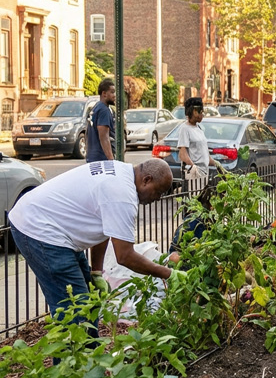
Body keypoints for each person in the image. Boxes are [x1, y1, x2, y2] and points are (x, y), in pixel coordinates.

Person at [9, 159, 185, 328]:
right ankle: (75, 356)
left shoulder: (121, 171)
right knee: (76, 312)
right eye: (159, 192)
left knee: (91, 303)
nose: (158, 198)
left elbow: (104, 229)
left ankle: (89, 354)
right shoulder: (122, 195)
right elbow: (125, 256)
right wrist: (169, 274)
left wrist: (96, 273)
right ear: (147, 180)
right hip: (40, 230)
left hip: (53, 229)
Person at [177, 98, 220, 180]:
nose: (202, 114)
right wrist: (194, 168)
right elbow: (182, 154)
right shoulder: (185, 129)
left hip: (204, 173)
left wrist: (218, 165)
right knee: (194, 193)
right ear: (192, 112)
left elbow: (205, 154)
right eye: (199, 111)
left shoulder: (199, 128)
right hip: (194, 175)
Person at [86, 78, 116, 162]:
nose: (115, 95)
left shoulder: (95, 107)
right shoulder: (104, 110)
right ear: (104, 94)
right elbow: (104, 137)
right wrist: (111, 160)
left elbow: (87, 133)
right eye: (112, 92)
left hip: (92, 157)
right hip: (101, 158)